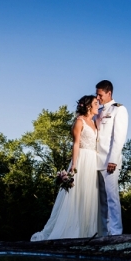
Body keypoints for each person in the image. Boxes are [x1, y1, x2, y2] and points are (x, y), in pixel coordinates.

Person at [31, 96, 100, 241]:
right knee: (76, 195)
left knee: (89, 196)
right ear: (88, 106)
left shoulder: (94, 122)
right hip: (82, 160)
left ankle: (87, 232)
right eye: (95, 103)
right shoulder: (79, 121)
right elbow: (76, 144)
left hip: (93, 161)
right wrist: (74, 165)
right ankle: (70, 232)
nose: (98, 105)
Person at [94, 80, 128, 236]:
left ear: (109, 93)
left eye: (100, 94)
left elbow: (118, 137)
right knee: (100, 201)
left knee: (112, 199)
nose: (98, 97)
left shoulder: (119, 110)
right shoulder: (98, 111)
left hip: (109, 161)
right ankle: (103, 232)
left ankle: (115, 232)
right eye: (97, 94)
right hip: (96, 161)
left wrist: (113, 159)